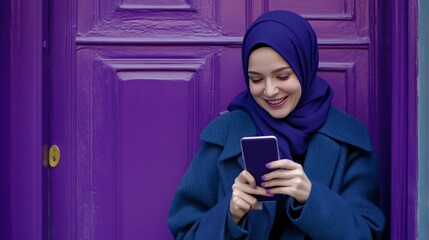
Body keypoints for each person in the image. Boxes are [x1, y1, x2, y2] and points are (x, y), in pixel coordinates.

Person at [167, 10, 385, 239]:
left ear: (304, 67)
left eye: (283, 76)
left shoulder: (349, 140)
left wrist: (311, 197)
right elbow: (186, 232)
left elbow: (366, 234)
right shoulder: (224, 136)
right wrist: (230, 214)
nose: (270, 91)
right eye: (256, 79)